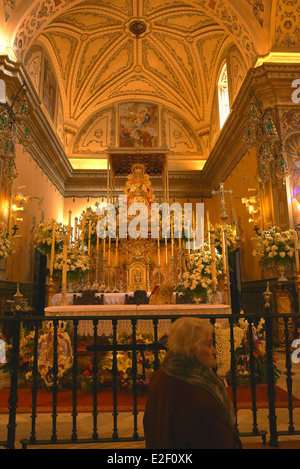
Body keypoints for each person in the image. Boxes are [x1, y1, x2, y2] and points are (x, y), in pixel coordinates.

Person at [143, 317, 242, 449]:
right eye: (208, 344)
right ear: (192, 349)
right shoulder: (198, 396)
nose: (214, 351)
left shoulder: (161, 375)